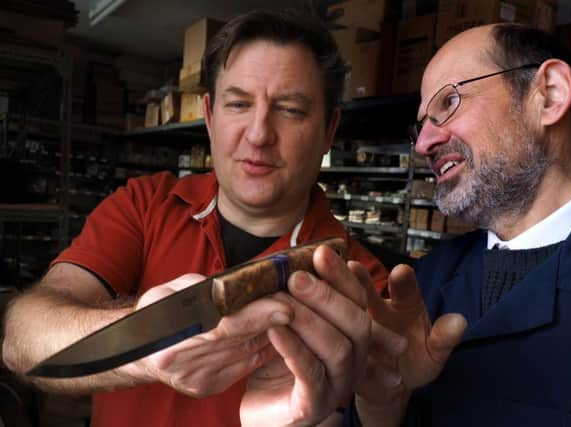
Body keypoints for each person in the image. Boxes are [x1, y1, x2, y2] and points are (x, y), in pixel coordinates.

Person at [1, 9, 389, 427]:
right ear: (209, 116)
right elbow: (22, 340)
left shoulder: (359, 282)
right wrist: (144, 348)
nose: (258, 134)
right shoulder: (144, 205)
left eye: (291, 109)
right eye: (238, 104)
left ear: (329, 130)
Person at [345, 22, 571, 426]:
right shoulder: (424, 281)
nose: (424, 143)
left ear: (549, 95)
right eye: (422, 123)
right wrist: (381, 405)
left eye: (449, 101)